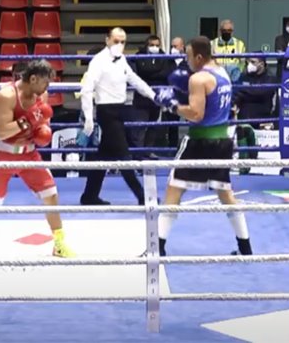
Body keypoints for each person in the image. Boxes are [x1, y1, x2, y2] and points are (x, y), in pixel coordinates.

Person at [0, 60, 74, 260]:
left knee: (51, 195)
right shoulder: (6, 95)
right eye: (45, 82)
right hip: (4, 155)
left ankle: (59, 244)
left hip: (29, 154)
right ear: (33, 78)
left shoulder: (41, 95)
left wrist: (41, 132)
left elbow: (41, 126)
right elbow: (2, 131)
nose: (48, 88)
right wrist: (28, 120)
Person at [156, 36, 253, 256]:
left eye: (188, 56)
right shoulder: (222, 72)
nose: (186, 60)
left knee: (173, 190)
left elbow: (196, 114)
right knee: (225, 193)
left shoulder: (199, 79)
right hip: (223, 141)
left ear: (199, 57)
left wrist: (173, 106)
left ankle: (158, 247)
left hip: (200, 141)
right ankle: (245, 247)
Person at [79, 27, 159, 206]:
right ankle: (142, 196)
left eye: (123, 41)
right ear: (107, 40)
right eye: (116, 41)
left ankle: (89, 196)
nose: (120, 45)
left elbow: (133, 79)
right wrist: (89, 117)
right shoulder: (98, 61)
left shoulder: (122, 59)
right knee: (124, 156)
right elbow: (86, 89)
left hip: (119, 110)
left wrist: (153, 95)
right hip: (106, 113)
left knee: (103, 157)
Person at [130, 35, 173, 159]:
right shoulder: (139, 56)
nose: (155, 47)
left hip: (157, 97)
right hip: (141, 97)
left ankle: (148, 151)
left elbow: (166, 73)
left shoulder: (164, 57)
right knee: (139, 127)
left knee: (153, 126)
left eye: (157, 45)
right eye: (152, 45)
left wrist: (149, 73)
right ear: (147, 45)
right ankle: (137, 154)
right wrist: (155, 72)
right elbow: (140, 71)